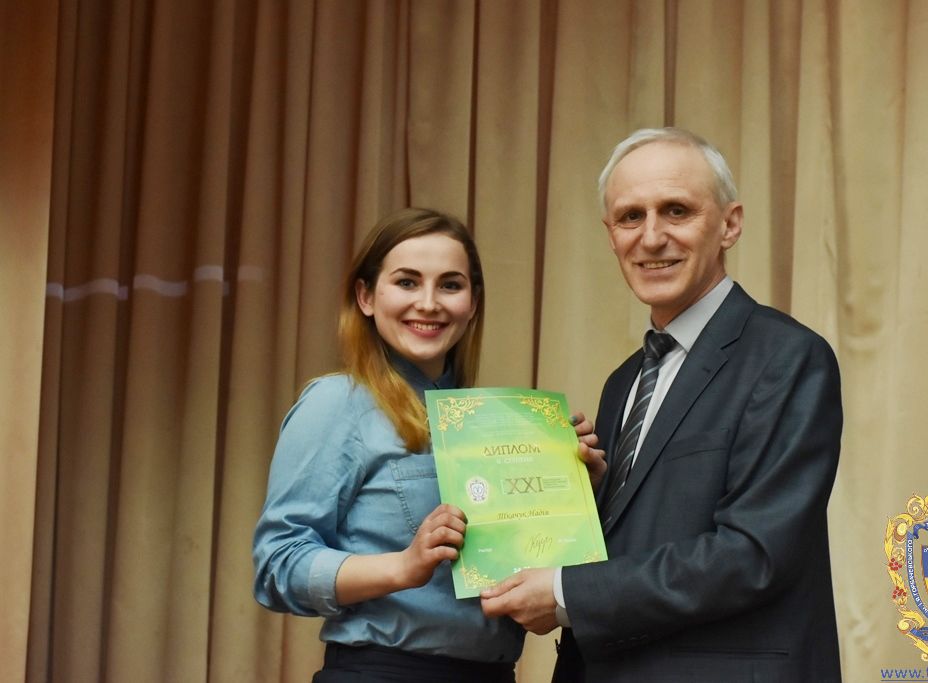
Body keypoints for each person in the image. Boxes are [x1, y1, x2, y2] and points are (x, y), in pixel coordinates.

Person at [480, 128, 843, 682]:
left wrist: (562, 593)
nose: (651, 238)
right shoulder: (624, 381)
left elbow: (754, 555)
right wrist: (579, 495)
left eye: (676, 210)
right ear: (611, 235)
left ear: (730, 224)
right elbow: (646, 532)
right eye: (631, 217)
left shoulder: (788, 357)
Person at [252, 208, 524, 682]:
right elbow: (277, 565)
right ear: (365, 296)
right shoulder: (338, 402)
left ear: (473, 303)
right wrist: (403, 567)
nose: (429, 303)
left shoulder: (489, 424)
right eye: (407, 282)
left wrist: (574, 479)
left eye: (450, 285)